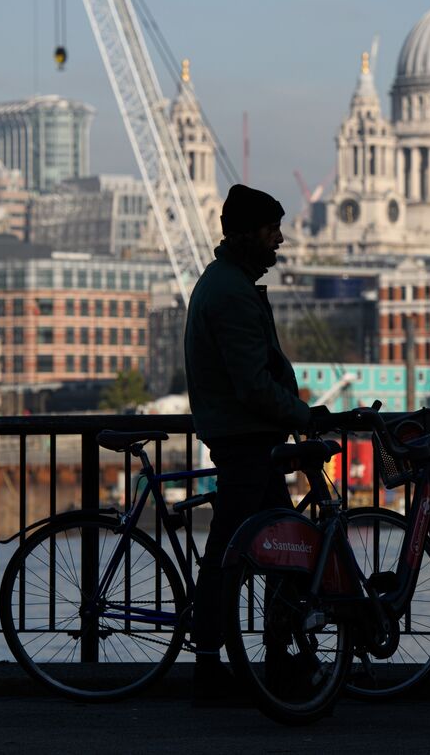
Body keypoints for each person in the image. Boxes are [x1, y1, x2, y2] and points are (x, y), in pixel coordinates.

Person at [184, 183, 330, 706]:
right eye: (271, 232)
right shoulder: (231, 291)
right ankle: (214, 664)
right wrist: (304, 415)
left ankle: (276, 657)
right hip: (245, 439)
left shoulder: (230, 282)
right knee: (231, 554)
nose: (280, 242)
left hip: (249, 438)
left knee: (277, 553)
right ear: (247, 234)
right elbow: (251, 382)